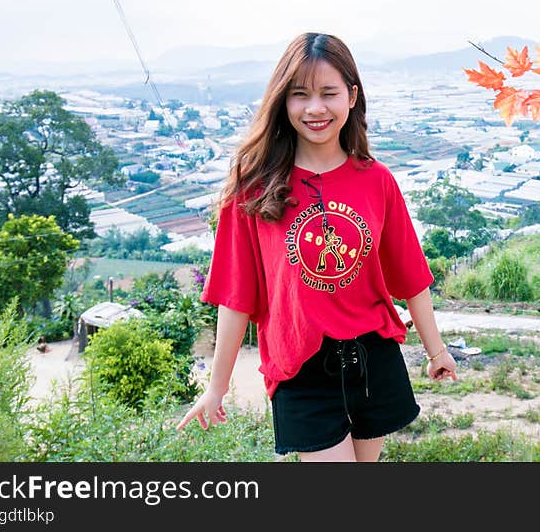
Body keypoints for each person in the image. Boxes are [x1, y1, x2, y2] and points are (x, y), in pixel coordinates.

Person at [175, 32, 457, 461]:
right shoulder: (254, 188)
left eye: (329, 93)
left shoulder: (377, 180)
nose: (315, 108)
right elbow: (235, 295)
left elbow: (410, 274)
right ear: (282, 102)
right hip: (300, 370)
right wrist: (217, 386)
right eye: (300, 94)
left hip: (372, 361)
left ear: (352, 96)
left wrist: (436, 350)